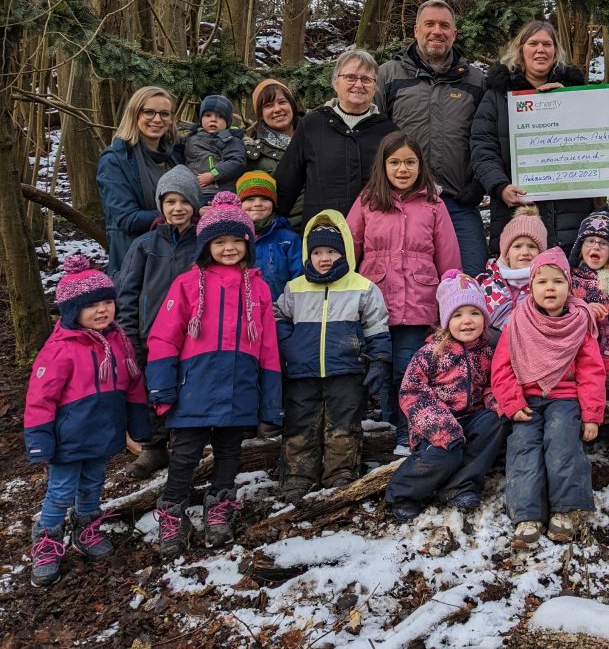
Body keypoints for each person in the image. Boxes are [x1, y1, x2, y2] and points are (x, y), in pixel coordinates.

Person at [146, 193, 283, 559]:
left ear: (248, 244)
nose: (229, 248)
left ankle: (220, 504)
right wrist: (161, 384)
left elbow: (268, 346)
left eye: (237, 241)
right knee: (185, 453)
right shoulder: (188, 284)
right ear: (206, 244)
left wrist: (270, 398)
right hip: (195, 385)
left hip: (239, 385)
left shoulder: (259, 288)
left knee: (229, 452)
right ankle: (172, 510)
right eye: (220, 241)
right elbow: (164, 336)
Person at [24, 255, 151, 587]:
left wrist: (137, 424)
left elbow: (133, 384)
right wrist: (39, 439)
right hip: (69, 439)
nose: (102, 310)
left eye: (108, 302)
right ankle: (47, 541)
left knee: (93, 484)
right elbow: (40, 398)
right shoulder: (60, 349)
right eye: (92, 305)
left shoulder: (118, 342)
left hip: (102, 434)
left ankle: (86, 528)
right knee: (61, 490)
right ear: (72, 311)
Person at [347, 133, 460, 452]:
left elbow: (448, 255)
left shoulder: (433, 203)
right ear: (383, 166)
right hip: (376, 301)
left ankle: (406, 433)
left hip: (418, 302)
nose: (402, 169)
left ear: (420, 166)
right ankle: (389, 425)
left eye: (410, 162)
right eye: (394, 162)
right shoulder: (368, 201)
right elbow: (348, 247)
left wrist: (449, 304)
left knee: (409, 368)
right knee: (382, 367)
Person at [490, 248, 605, 549]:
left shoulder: (580, 322)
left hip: (565, 398)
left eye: (557, 281)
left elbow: (592, 370)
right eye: (542, 282)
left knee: (562, 441)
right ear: (531, 287)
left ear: (569, 285)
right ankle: (527, 515)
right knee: (523, 446)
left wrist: (592, 414)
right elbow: (502, 366)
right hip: (527, 399)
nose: (550, 288)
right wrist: (512, 402)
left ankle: (565, 509)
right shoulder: (518, 321)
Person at [274, 211, 391, 502]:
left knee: (344, 423)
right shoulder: (295, 288)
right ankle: (298, 474)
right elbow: (278, 319)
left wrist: (378, 360)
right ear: (308, 254)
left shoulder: (362, 287)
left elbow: (376, 326)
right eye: (317, 252)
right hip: (302, 371)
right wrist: (290, 347)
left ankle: (340, 472)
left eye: (332, 251)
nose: (324, 258)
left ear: (345, 252)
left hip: (346, 369)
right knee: (301, 422)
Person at [376, 0, 488, 275]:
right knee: (406, 283)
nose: (436, 31)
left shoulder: (475, 80)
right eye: (430, 24)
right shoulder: (388, 74)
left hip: (457, 202)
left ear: (454, 34)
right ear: (416, 30)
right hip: (402, 201)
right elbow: (371, 133)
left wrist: (478, 183)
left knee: (472, 280)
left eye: (444, 25)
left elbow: (488, 136)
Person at [386, 272, 505, 521]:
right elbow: (412, 392)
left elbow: (490, 385)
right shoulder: (430, 353)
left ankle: (459, 486)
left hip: (470, 420)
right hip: (434, 426)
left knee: (494, 422)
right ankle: (403, 493)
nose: (467, 321)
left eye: (474, 313)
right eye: (458, 315)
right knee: (446, 454)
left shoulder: (486, 352)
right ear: (446, 320)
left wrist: (496, 402)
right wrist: (441, 427)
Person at [471, 21, 592, 254]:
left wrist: (565, 101)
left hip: (569, 212)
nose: (540, 49)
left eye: (547, 44)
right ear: (521, 49)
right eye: (533, 43)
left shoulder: (576, 91)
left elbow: (593, 142)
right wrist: (499, 186)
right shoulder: (497, 94)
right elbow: (482, 147)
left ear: (555, 51)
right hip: (515, 211)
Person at [116, 165, 201, 479]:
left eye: (183, 201)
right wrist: (129, 337)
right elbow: (127, 294)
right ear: (161, 205)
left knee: (187, 388)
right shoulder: (144, 245)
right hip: (150, 334)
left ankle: (186, 446)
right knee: (152, 390)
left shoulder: (204, 243)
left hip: (193, 335)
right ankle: (153, 447)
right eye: (169, 202)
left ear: (193, 203)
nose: (177, 208)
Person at [276, 49, 398, 225]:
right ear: (335, 83)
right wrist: (271, 225)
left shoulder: (388, 131)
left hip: (373, 233)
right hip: (322, 236)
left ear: (375, 86)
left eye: (366, 79)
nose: (358, 84)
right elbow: (287, 182)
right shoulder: (312, 125)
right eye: (350, 77)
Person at [98, 86, 185, 274]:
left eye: (164, 114)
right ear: (135, 114)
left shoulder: (175, 155)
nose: (157, 119)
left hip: (178, 257)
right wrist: (181, 214)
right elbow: (127, 219)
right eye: (149, 112)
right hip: (137, 264)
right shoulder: (116, 160)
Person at [568, 211, 609, 399]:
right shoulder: (566, 279)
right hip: (573, 350)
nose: (596, 246)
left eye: (603, 243)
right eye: (590, 241)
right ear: (580, 247)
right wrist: (584, 310)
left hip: (604, 352)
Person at [477, 206, 547, 343]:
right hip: (492, 349)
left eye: (532, 246)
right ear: (507, 253)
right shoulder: (486, 284)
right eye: (518, 246)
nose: (525, 252)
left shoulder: (547, 282)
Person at [243, 79, 304, 227]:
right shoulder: (253, 155)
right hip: (284, 234)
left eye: (282, 102)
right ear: (261, 114)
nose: (277, 109)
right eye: (268, 105)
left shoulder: (316, 136)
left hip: (324, 232)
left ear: (292, 105)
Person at [237, 170, 302, 301]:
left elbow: (299, 278)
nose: (257, 204)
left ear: (273, 203)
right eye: (250, 199)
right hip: (240, 313)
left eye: (265, 199)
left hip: (279, 313)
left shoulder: (289, 239)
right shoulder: (231, 237)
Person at [183, 94, 247, 204]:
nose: (213, 119)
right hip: (194, 191)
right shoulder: (192, 137)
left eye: (220, 116)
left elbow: (237, 161)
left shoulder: (229, 139)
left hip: (217, 191)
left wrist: (213, 175)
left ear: (228, 122)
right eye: (208, 115)